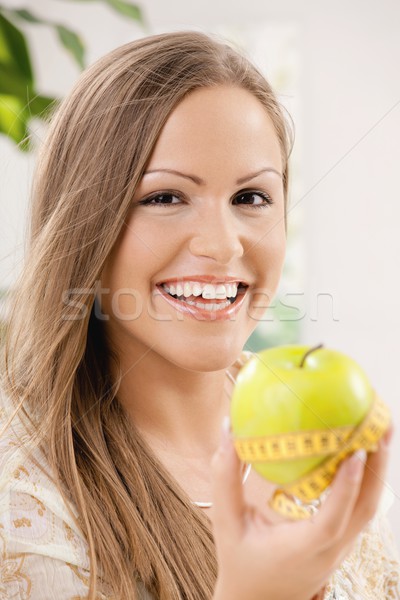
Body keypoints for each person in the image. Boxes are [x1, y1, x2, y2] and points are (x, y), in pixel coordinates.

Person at [0, 30, 398, 600]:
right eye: (165, 197)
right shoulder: (23, 510)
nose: (222, 245)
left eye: (250, 198)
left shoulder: (319, 437)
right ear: (84, 223)